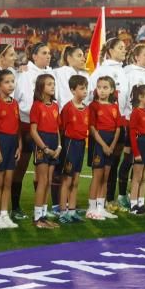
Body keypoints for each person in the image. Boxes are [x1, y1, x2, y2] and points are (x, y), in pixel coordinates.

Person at [12, 44, 55, 221]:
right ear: (34, 56)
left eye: (50, 53)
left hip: (45, 128)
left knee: (42, 171)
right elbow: (17, 99)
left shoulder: (52, 74)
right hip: (26, 126)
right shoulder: (24, 74)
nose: (48, 56)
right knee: (20, 168)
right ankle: (15, 206)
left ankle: (41, 209)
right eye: (44, 53)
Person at [89, 38, 128, 213]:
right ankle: (100, 203)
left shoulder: (124, 71)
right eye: (120, 48)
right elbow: (91, 95)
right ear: (110, 50)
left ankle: (107, 201)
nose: (124, 50)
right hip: (101, 129)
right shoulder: (101, 71)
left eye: (125, 48)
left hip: (118, 124)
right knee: (101, 170)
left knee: (112, 164)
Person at [0, 68, 22, 229]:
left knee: (8, 181)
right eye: (7, 82)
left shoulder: (14, 103)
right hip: (0, 142)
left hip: (12, 143)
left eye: (12, 81)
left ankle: (4, 213)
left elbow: (17, 126)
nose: (10, 85)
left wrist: (19, 146)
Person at [27, 74, 62, 229]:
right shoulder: (37, 106)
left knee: (48, 180)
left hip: (54, 144)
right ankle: (37, 218)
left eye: (53, 83)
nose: (53, 86)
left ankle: (43, 215)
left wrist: (59, 147)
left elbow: (57, 128)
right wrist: (44, 148)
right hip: (43, 145)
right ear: (41, 87)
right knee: (42, 181)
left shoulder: (55, 106)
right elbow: (33, 131)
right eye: (49, 84)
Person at [86, 76, 121, 221]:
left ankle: (101, 207)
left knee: (106, 176)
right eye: (99, 87)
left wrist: (112, 145)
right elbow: (92, 128)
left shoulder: (114, 107)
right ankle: (91, 208)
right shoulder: (93, 106)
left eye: (105, 87)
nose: (101, 90)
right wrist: (104, 145)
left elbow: (118, 127)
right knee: (97, 176)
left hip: (110, 143)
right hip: (99, 144)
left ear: (112, 90)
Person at [57, 74, 91, 223]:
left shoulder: (86, 108)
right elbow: (61, 127)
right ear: (72, 90)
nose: (85, 91)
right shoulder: (68, 108)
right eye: (81, 88)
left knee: (76, 180)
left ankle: (72, 210)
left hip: (81, 144)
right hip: (69, 144)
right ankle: (62, 211)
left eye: (86, 88)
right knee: (67, 180)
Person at [128, 84, 145, 214]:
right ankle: (133, 205)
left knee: (144, 176)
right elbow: (132, 134)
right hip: (141, 143)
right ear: (140, 97)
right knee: (137, 177)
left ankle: (141, 203)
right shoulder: (135, 112)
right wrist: (136, 152)